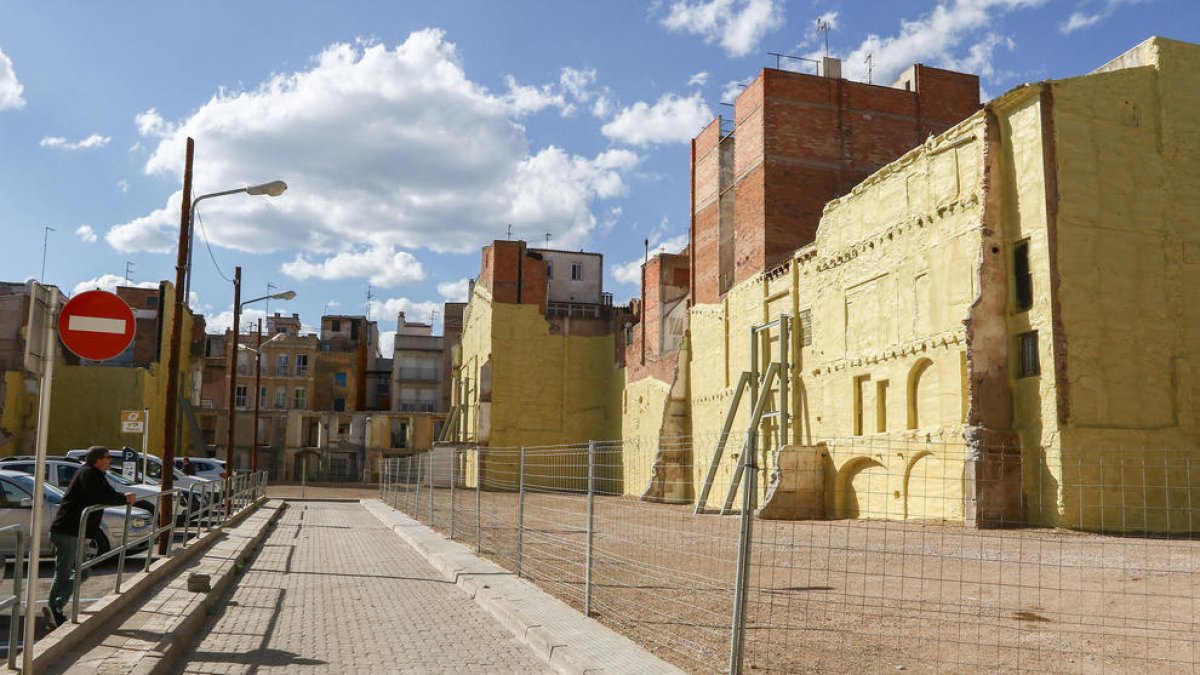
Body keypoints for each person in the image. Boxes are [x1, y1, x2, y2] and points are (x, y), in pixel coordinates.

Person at [44, 446, 135, 628]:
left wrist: (123, 497)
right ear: (97, 460)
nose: (110, 460)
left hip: (78, 531)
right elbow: (100, 496)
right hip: (67, 530)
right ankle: (54, 608)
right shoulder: (88, 474)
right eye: (108, 457)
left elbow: (107, 493)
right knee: (63, 570)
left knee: (84, 571)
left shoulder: (96, 474)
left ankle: (56, 605)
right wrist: (124, 499)